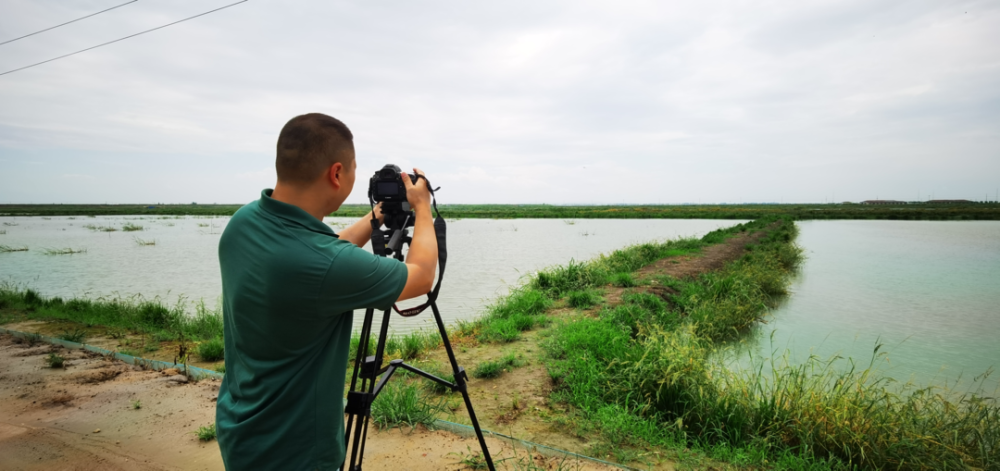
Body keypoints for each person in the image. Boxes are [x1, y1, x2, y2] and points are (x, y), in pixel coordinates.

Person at [215, 113, 438, 470]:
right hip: (296, 452)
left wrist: (375, 218)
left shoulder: (243, 223)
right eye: (352, 169)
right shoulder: (324, 265)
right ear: (336, 174)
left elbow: (320, 255)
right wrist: (423, 208)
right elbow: (421, 276)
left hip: (241, 432)